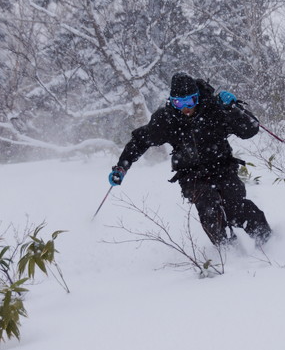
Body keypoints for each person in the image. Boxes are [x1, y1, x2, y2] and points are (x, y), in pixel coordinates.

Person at [108, 72, 272, 247]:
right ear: (172, 101)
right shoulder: (167, 119)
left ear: (198, 98)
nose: (186, 108)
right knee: (208, 208)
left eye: (190, 101)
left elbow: (250, 129)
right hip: (191, 175)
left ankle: (268, 243)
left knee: (236, 207)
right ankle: (227, 252)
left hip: (223, 167)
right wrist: (122, 166)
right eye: (179, 103)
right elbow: (140, 141)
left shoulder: (215, 109)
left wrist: (233, 109)